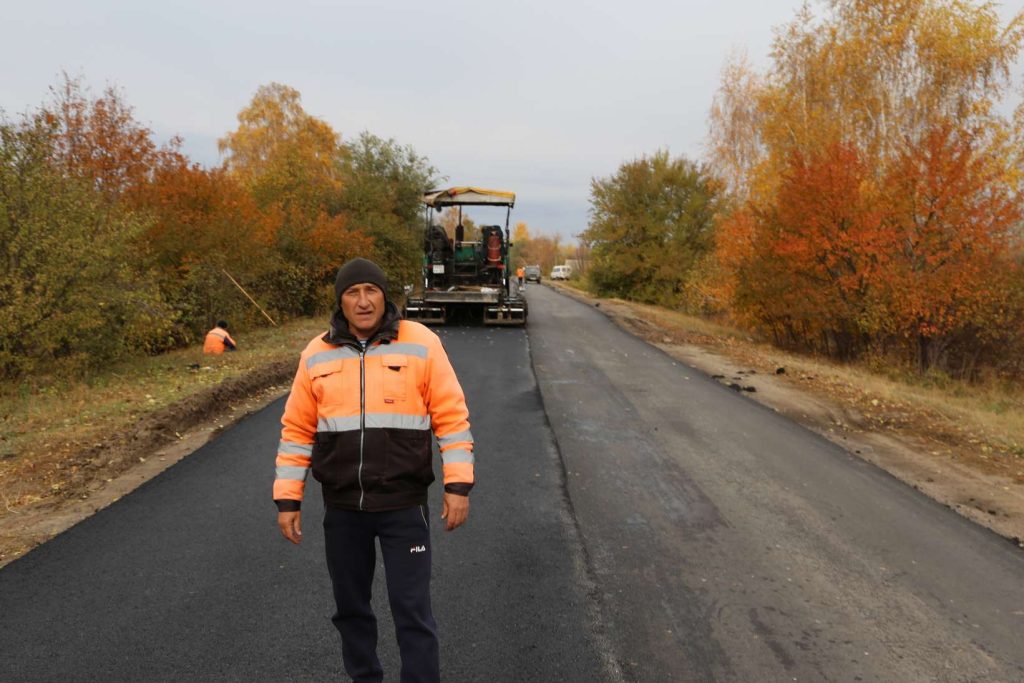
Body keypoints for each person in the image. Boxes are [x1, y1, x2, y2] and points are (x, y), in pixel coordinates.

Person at [274, 257, 474, 683]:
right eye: (352, 293)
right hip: (343, 510)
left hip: (404, 507)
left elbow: (452, 416)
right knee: (351, 611)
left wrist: (458, 486)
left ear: (385, 296)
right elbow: (296, 430)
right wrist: (288, 498)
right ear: (340, 302)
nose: (363, 302)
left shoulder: (420, 342)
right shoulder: (316, 353)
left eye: (371, 291)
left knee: (412, 612)